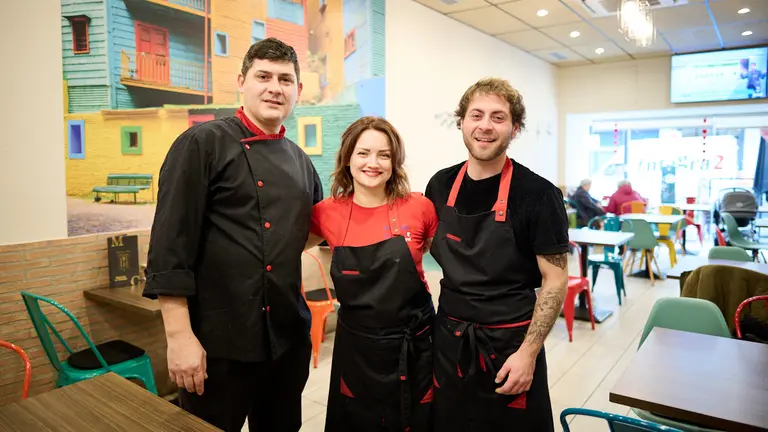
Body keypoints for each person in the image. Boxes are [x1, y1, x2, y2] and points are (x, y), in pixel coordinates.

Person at [142, 38, 323, 432]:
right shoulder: (201, 144)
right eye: (263, 76)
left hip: (286, 342)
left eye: (285, 79)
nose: (275, 87)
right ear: (241, 82)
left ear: (298, 90)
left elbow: (309, 233)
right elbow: (170, 246)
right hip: (217, 344)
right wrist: (179, 337)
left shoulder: (301, 161)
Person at [424, 77, 569, 431]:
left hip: (510, 346)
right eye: (476, 115)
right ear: (461, 122)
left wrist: (528, 353)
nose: (485, 126)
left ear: (514, 128)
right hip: (450, 343)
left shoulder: (538, 194)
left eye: (498, 117)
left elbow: (554, 281)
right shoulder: (439, 185)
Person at [306, 116, 437, 431]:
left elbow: (429, 249)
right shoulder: (325, 213)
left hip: (414, 345)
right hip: (358, 350)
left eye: (384, 154)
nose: (373, 163)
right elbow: (288, 249)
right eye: (363, 153)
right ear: (348, 158)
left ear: (395, 162)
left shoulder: (420, 207)